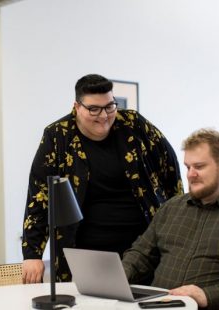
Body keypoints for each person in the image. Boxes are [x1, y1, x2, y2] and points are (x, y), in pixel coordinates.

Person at [22, 74, 183, 283]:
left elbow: (170, 170)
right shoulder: (57, 136)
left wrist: (179, 225)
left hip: (142, 246)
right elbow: (40, 195)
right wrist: (32, 254)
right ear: (76, 107)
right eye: (94, 109)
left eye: (110, 106)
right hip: (85, 248)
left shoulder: (135, 125)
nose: (104, 115)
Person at [122, 128, 219, 309]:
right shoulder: (171, 208)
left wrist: (207, 295)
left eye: (199, 166)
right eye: (188, 167)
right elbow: (142, 253)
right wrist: (119, 276)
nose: (190, 174)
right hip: (157, 305)